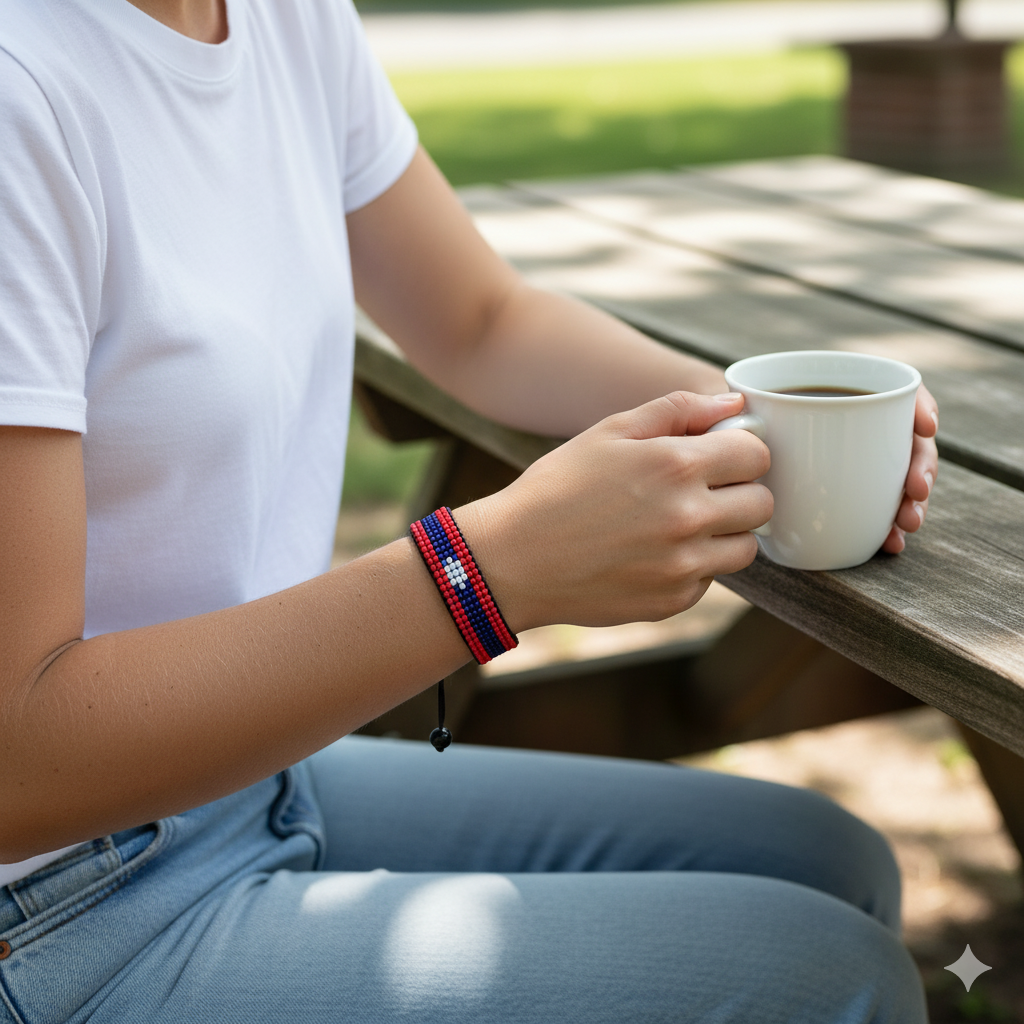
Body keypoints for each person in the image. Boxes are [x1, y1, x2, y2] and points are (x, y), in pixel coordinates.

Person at [0, 0, 938, 1020]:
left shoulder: (283, 18)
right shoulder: (24, 90)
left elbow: (480, 321)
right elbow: (19, 758)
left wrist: (764, 425)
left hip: (247, 775)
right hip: (61, 905)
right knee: (835, 977)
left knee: (831, 862)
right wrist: (480, 574)